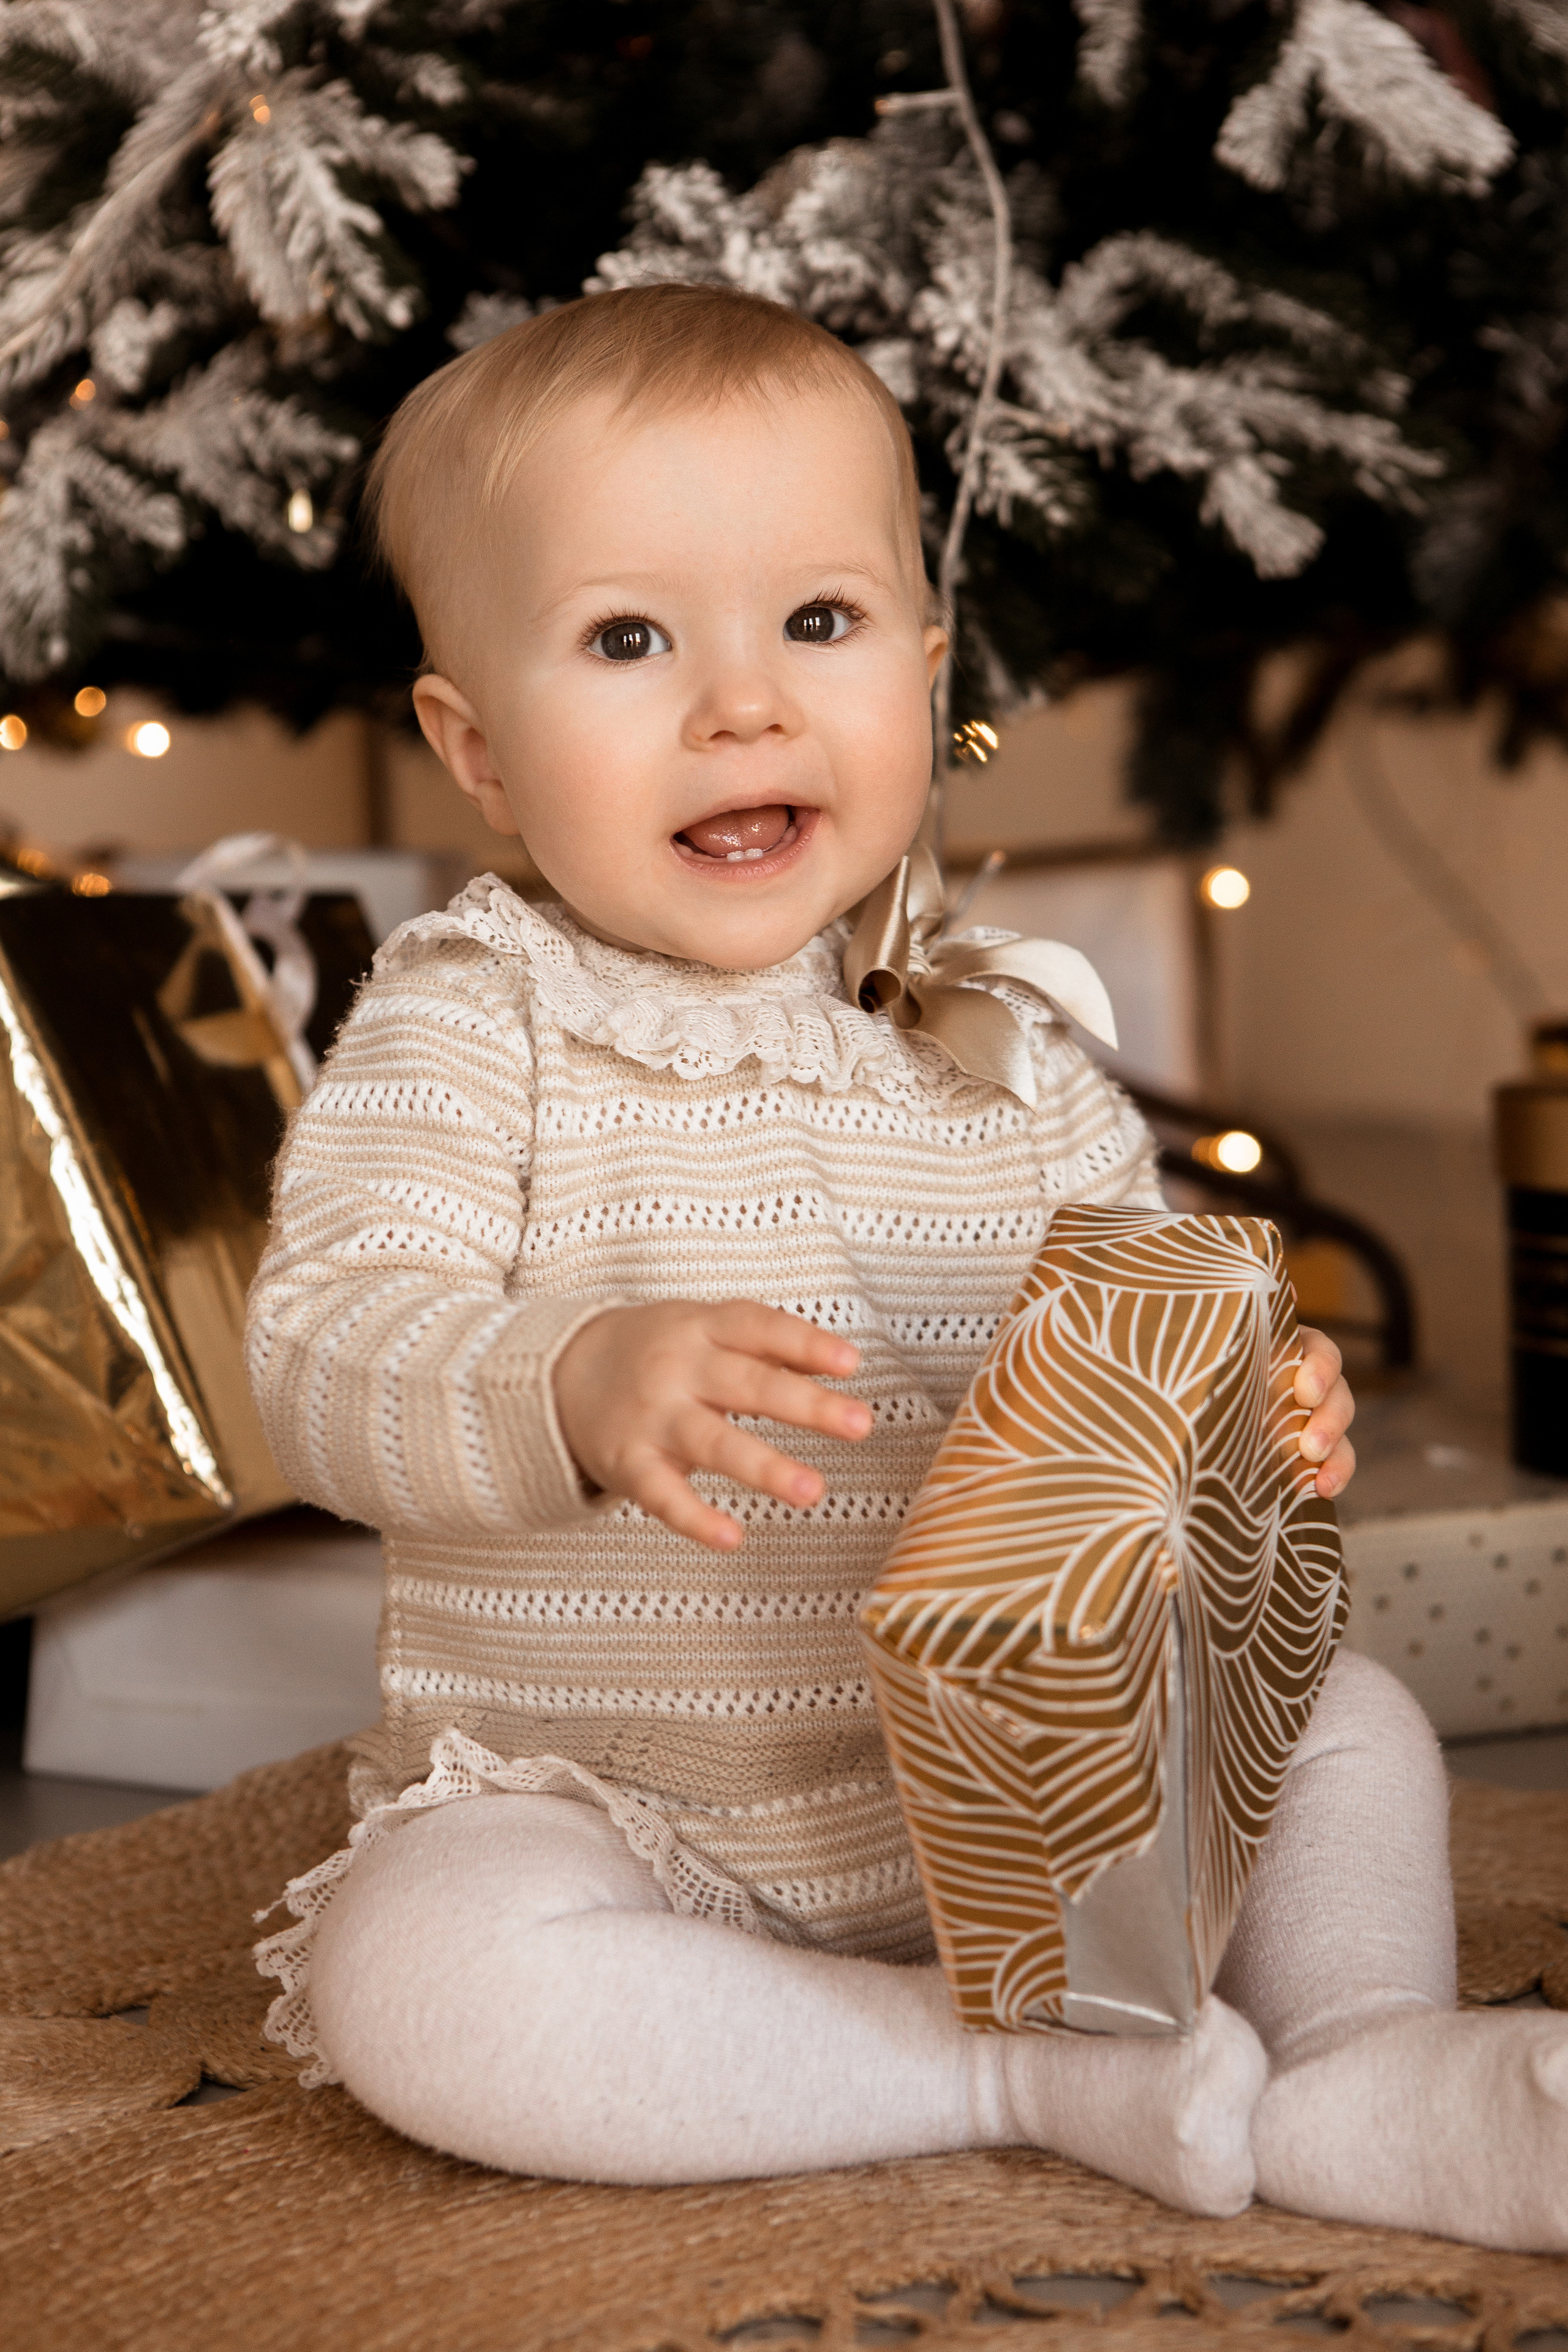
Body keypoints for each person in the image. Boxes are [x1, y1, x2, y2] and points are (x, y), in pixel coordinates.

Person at [246, 284, 1567, 2250]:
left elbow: (1148, 1312)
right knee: (420, 1974)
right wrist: (567, 1381)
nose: (744, 706)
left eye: (819, 621)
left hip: (1041, 1785)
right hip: (631, 1809)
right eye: (628, 639)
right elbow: (322, 1352)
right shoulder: (473, 1013)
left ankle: (1365, 2059)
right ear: (481, 746)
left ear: (926, 678)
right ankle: (1004, 2073)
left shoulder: (991, 1030)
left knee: (1346, 1717)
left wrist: (1245, 1399)